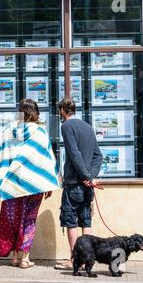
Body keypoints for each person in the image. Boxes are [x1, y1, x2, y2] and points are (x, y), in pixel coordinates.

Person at [0, 99, 61, 269]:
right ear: (35, 112)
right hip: (34, 184)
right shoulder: (39, 132)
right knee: (29, 219)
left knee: (12, 219)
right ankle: (25, 259)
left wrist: (0, 180)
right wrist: (47, 184)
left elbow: (2, 155)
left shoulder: (8, 131)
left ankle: (14, 257)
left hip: (11, 183)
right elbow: (45, 159)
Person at [54, 98, 103, 270]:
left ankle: (74, 261)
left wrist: (84, 176)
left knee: (71, 221)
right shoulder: (88, 127)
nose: (59, 114)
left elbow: (74, 155)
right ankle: (87, 261)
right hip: (86, 185)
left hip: (74, 183)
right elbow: (98, 156)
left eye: (59, 111)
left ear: (63, 110)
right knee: (86, 221)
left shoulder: (66, 126)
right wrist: (90, 177)